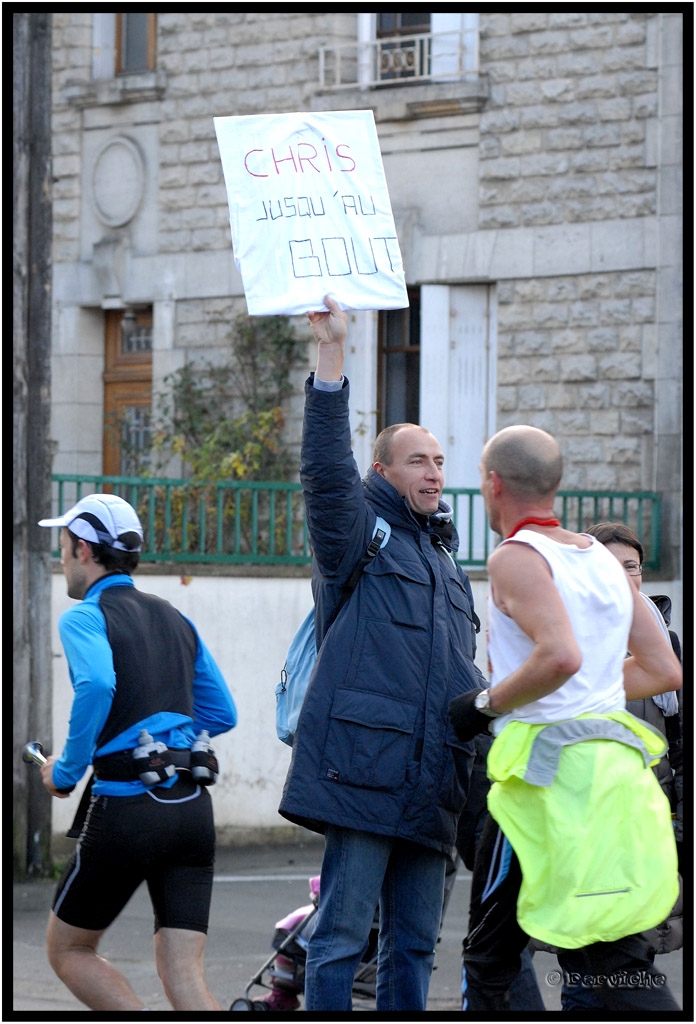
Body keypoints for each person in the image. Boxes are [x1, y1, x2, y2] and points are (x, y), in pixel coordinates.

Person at [278, 294, 485, 1012]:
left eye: (439, 461)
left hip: (435, 786)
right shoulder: (357, 535)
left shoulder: (450, 568)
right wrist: (330, 356)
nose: (433, 473)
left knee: (419, 947)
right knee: (339, 939)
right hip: (363, 775)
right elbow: (325, 474)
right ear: (382, 472)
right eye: (417, 462)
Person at [448, 425, 682, 1013]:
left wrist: (483, 705)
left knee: (491, 960)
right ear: (555, 484)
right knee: (612, 953)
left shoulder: (516, 558)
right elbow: (663, 668)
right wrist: (587, 690)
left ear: (492, 484)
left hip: (543, 782)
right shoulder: (604, 561)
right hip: (612, 774)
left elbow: (560, 655)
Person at [37, 493, 237, 1012]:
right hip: (193, 809)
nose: (61, 559)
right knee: (184, 977)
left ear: (84, 550)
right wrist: (166, 733)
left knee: (70, 949)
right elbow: (223, 713)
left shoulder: (84, 617)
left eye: (63, 547)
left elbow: (99, 685)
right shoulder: (175, 618)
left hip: (128, 809)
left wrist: (65, 771)